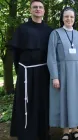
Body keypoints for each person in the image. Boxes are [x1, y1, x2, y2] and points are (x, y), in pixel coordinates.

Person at [9, 0, 53, 140]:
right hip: (26, 72)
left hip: (43, 72)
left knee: (43, 102)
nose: (38, 9)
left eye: (40, 7)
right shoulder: (22, 29)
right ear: (30, 10)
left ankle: (42, 132)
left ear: (44, 11)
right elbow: (15, 53)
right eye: (35, 7)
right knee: (25, 102)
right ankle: (26, 133)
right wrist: (20, 71)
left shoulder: (49, 31)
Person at [47, 7, 78, 140]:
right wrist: (55, 76)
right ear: (62, 18)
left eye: (71, 16)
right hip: (62, 73)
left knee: (76, 101)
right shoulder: (55, 33)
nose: (69, 19)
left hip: (77, 72)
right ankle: (65, 131)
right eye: (66, 16)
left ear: (74, 18)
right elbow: (51, 57)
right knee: (63, 100)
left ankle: (76, 130)